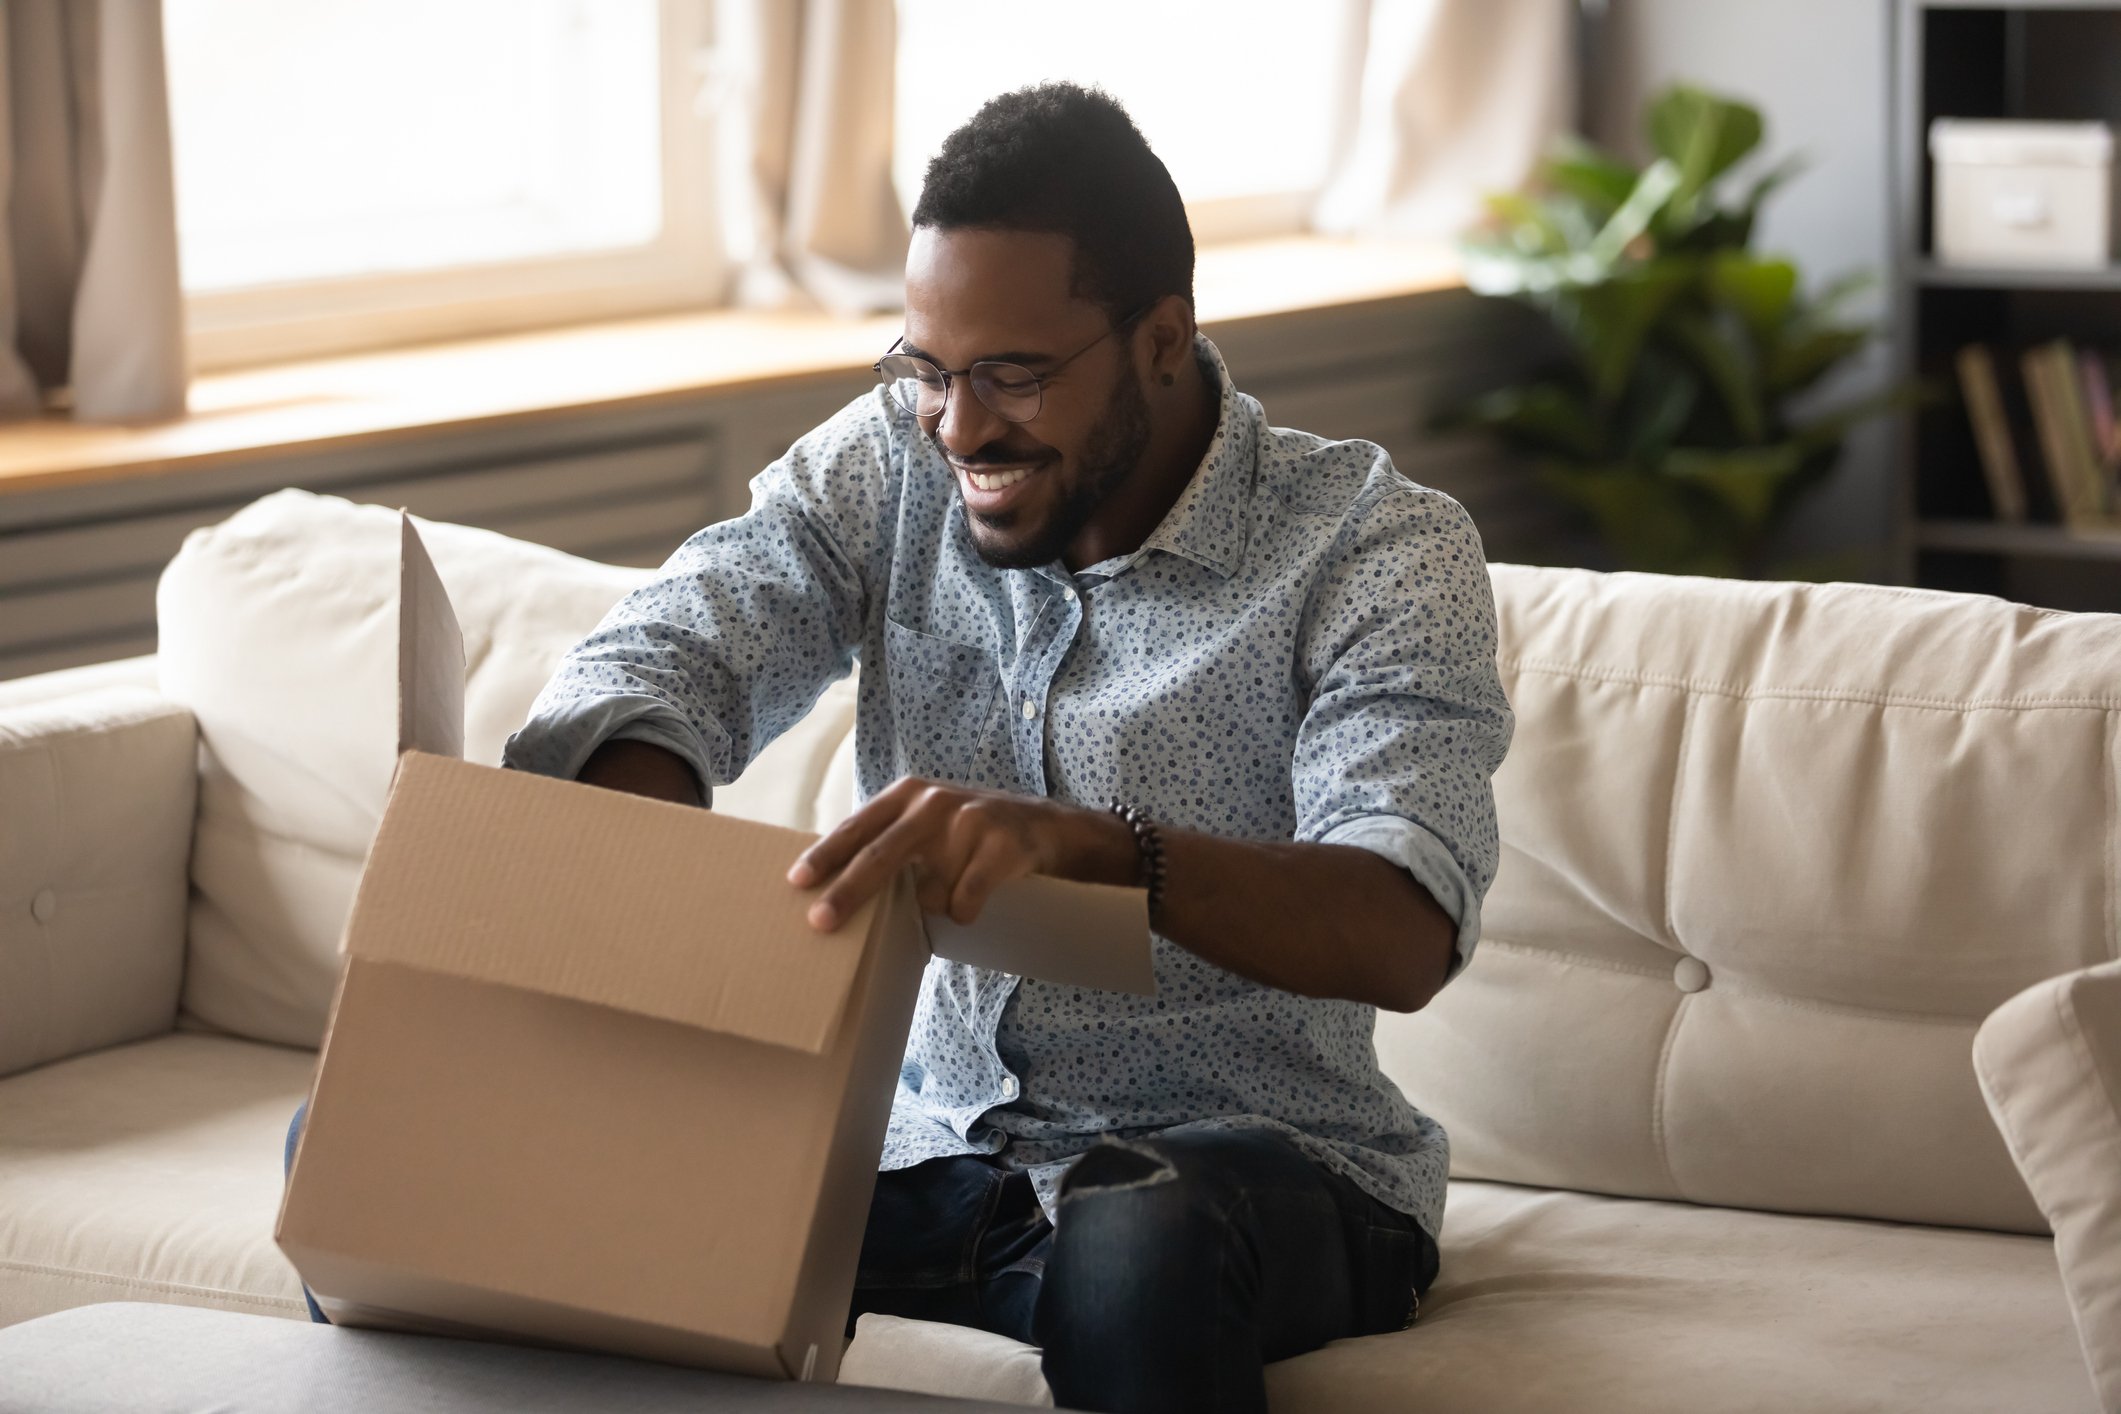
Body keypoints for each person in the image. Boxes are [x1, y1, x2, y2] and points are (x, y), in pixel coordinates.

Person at [292, 81, 1511, 1414]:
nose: (960, 427)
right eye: (926, 369)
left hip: (1245, 1164)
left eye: (1012, 375)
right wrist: (618, 874)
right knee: (379, 1144)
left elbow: (1398, 921)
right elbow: (665, 652)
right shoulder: (891, 464)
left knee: (1135, 1229)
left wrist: (1109, 852)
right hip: (911, 1153)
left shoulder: (1378, 549)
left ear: (1162, 339)